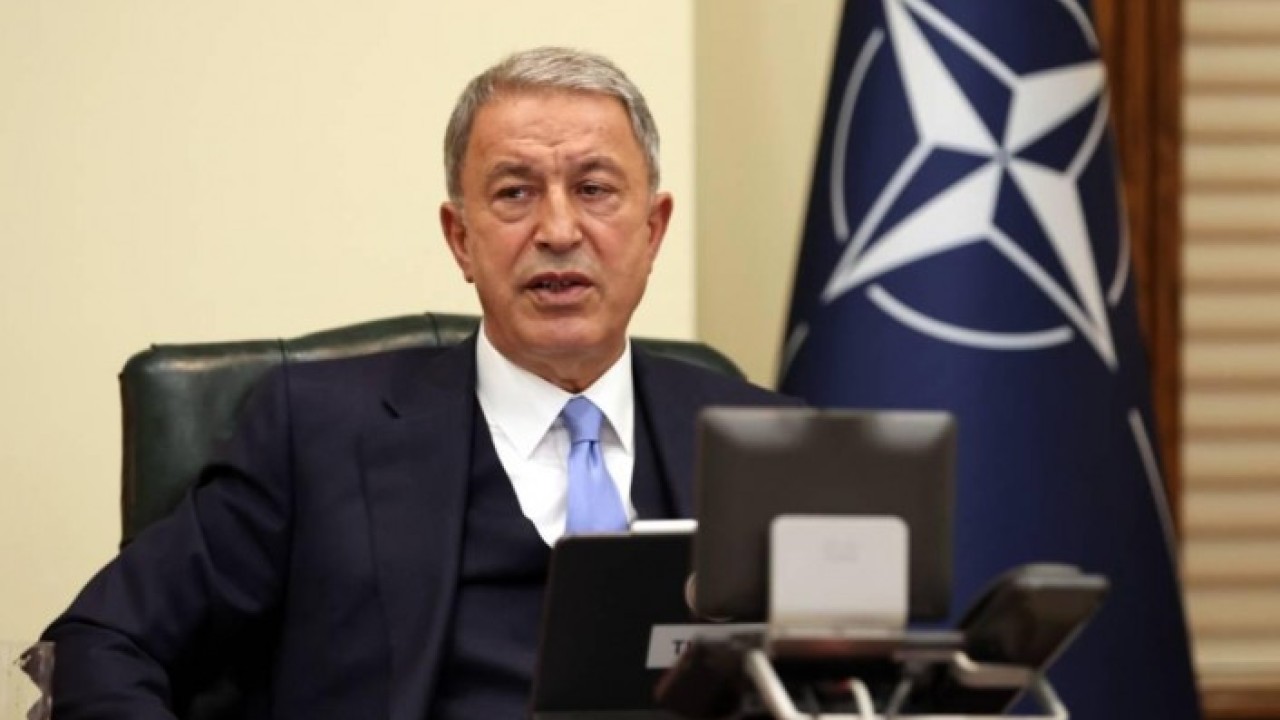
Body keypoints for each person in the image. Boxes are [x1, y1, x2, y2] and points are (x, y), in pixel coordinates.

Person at [44, 46, 795, 718]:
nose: (559, 230)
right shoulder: (316, 434)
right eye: (515, 193)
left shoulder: (772, 444)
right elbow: (102, 641)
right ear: (461, 238)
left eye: (594, 189)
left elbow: (843, 676)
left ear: (652, 230)